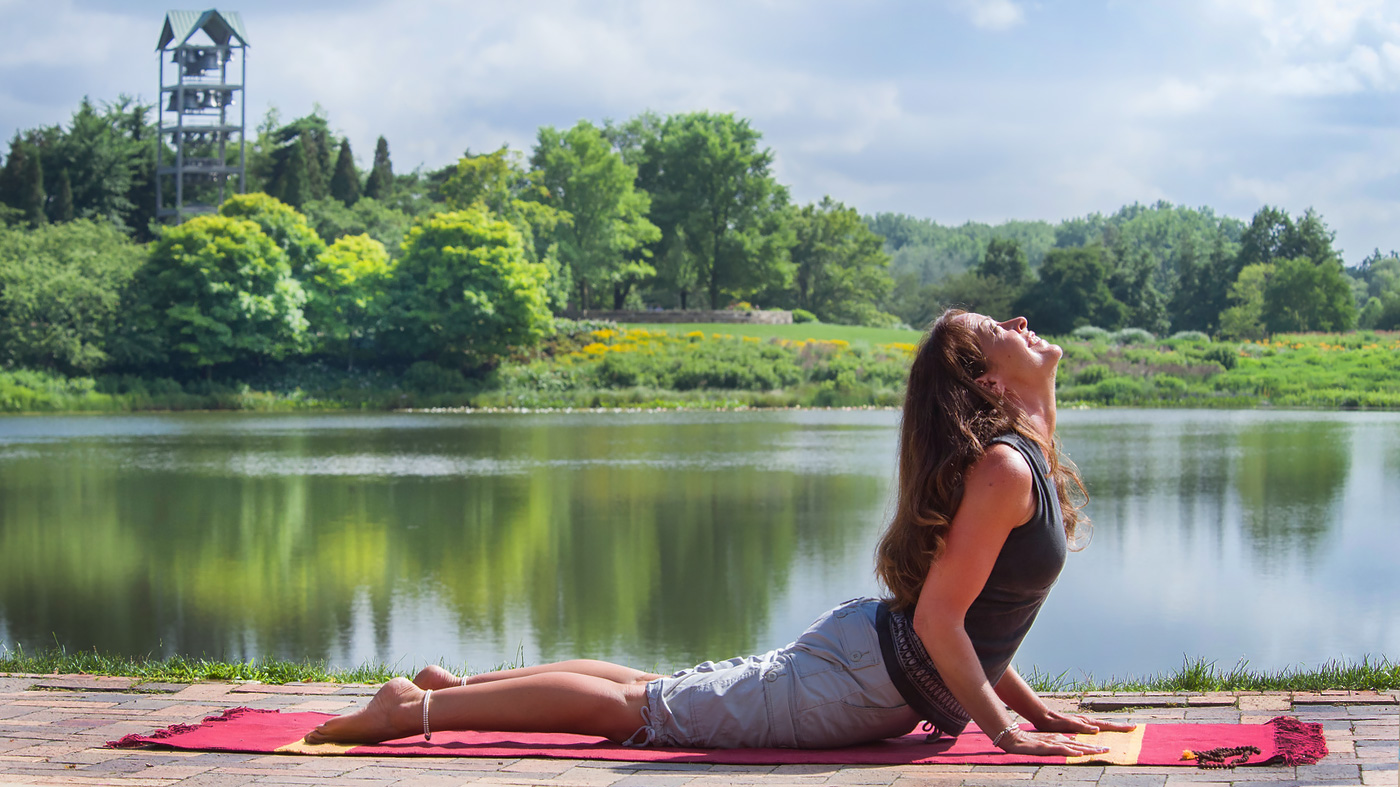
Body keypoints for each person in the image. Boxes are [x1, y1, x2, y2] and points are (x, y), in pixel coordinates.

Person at [306, 310, 1135, 755]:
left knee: (651, 687)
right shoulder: (1004, 468)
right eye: (1001, 330)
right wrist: (1002, 730)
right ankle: (408, 714)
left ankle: (449, 689)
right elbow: (941, 620)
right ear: (991, 379)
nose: (1023, 322)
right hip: (860, 682)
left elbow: (980, 615)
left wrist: (1038, 711)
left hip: (865, 668)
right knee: (646, 710)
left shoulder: (1020, 456)